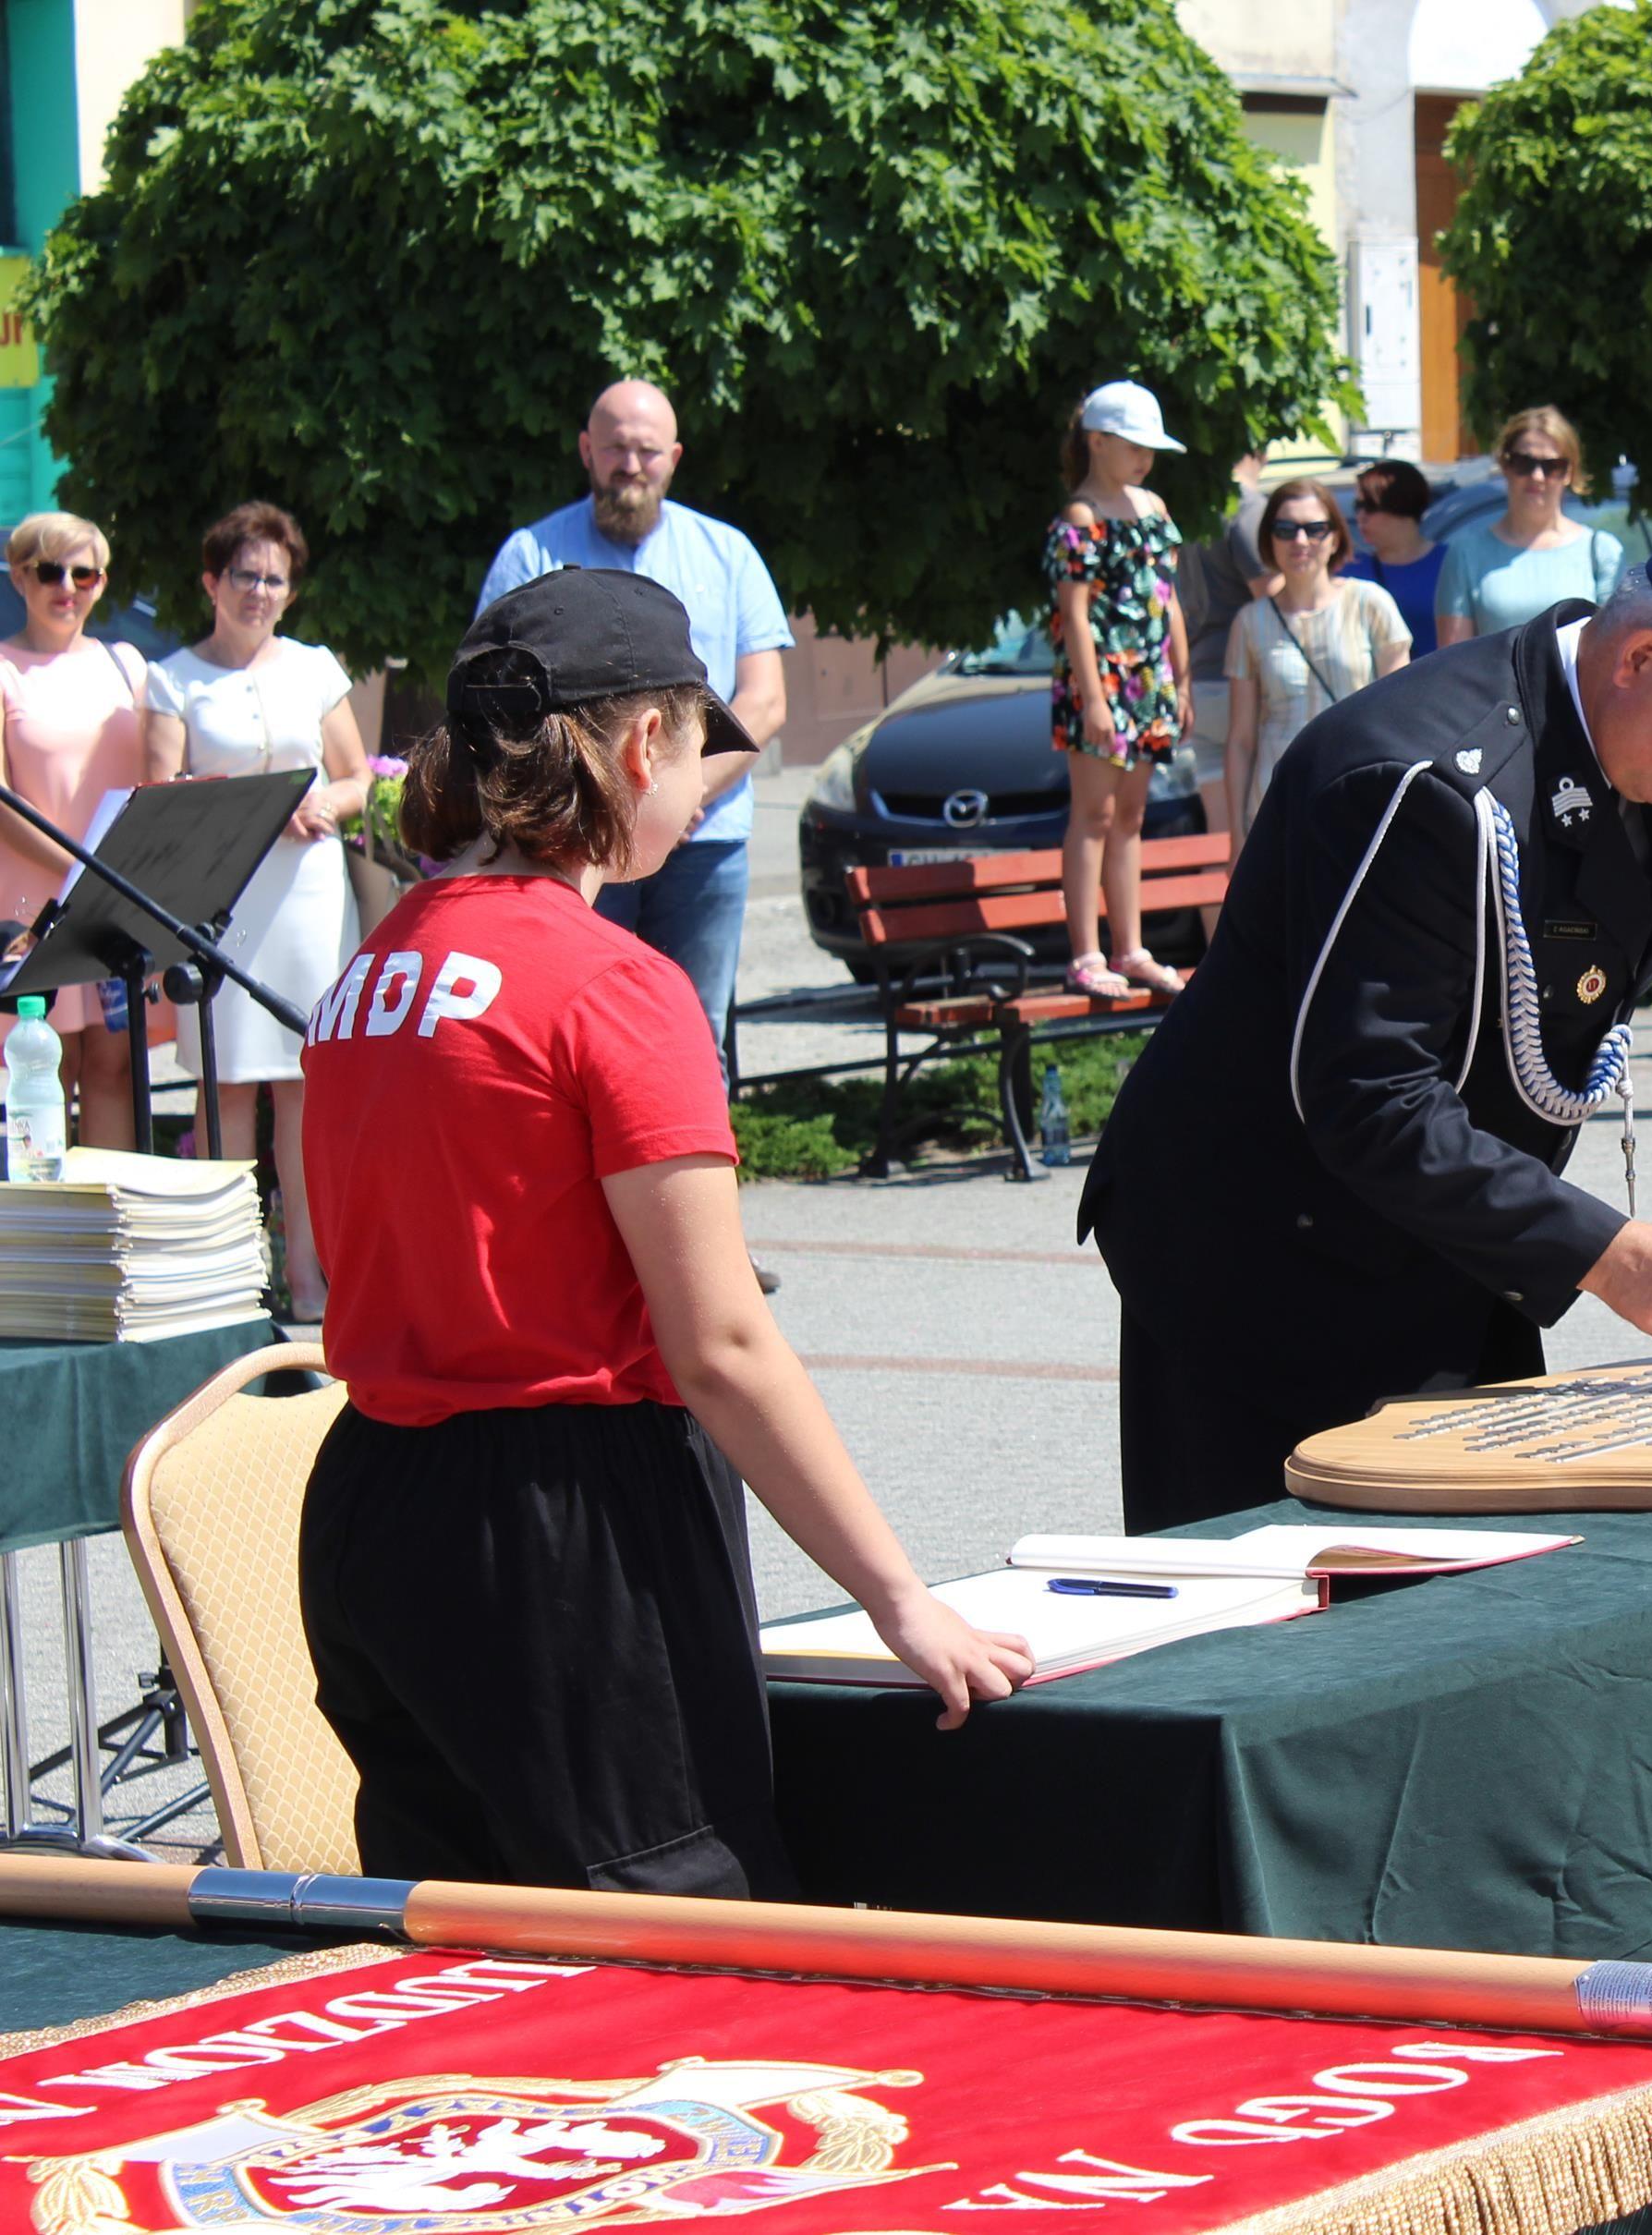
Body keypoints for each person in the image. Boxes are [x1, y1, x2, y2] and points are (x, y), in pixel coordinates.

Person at [297, 568, 1031, 1891]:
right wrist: (900, 1594)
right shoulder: (615, 988)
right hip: (563, 1520)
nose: (707, 788)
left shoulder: (376, 964)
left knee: (446, 1936)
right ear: (644, 746)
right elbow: (724, 1346)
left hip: (373, 1505)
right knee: (666, 1922)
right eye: (702, 752)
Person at [1082, 493, 1652, 1533]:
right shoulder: (1425, 782)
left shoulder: (1618, 744)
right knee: (1274, 1611)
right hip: (1263, 1251)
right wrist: (1606, 1250)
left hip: (1435, 1238)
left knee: (1467, 1582)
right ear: (1636, 657)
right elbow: (1369, 1095)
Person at [477, 380, 791, 1051]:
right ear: (587, 450)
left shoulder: (728, 554)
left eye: (647, 450)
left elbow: (764, 701)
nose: (630, 465)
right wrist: (615, 801)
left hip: (704, 843)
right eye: (615, 447)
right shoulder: (529, 557)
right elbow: (498, 696)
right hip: (576, 842)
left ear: (673, 456)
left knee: (695, 1038)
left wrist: (684, 796)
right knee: (574, 1036)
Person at [140, 502, 369, 1318]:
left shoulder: (314, 667)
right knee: (227, 1088)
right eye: (246, 575)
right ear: (212, 580)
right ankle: (231, 1282)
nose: (261, 591)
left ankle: (309, 1278)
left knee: (306, 1085)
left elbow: (357, 772)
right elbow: (161, 794)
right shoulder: (173, 678)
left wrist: (330, 806)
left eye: (275, 578)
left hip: (308, 893)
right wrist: (242, 806)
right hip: (224, 899)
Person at [0, 512, 148, 1149]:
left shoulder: (128, 665)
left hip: (115, 895)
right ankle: (46, 1235)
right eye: (49, 571)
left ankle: (104, 1232)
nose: (68, 586)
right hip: (34, 894)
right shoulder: (4, 667)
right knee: (43, 1064)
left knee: (114, 1065)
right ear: (17, 577)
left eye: (83, 572)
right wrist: (81, 863)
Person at [1046, 380, 1195, 1000]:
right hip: (1100, 687)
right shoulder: (1081, 519)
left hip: (1150, 685)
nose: (1145, 458)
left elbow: (1167, 600)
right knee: (1095, 814)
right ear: (1097, 442)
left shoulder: (1155, 509)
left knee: (1130, 816)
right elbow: (1074, 615)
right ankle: (1086, 952)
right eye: (1134, 445)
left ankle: (1131, 948)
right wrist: (1096, 698)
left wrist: (1181, 679)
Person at [1221, 477, 1408, 843]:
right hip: (1278, 802)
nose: (1300, 541)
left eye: (1315, 529)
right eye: (1286, 529)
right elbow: (1241, 739)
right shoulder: (1249, 621)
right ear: (1269, 539)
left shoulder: (1370, 603)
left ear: (1336, 537)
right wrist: (1236, 835)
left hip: (1361, 797)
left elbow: (1401, 721)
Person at [1433, 407, 1622, 645]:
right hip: (1493, 683)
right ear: (1505, 465)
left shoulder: (1601, 551)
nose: (1537, 476)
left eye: (1552, 466)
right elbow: (1453, 661)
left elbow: (1610, 652)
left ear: (1568, 472)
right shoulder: (1465, 554)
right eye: (1524, 463)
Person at [1346, 459, 1451, 659]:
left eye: (1368, 506)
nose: (1360, 516)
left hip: (1436, 684)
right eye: (1356, 506)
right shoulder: (1350, 571)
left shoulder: (1451, 563)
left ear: (1400, 505)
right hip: (1375, 688)